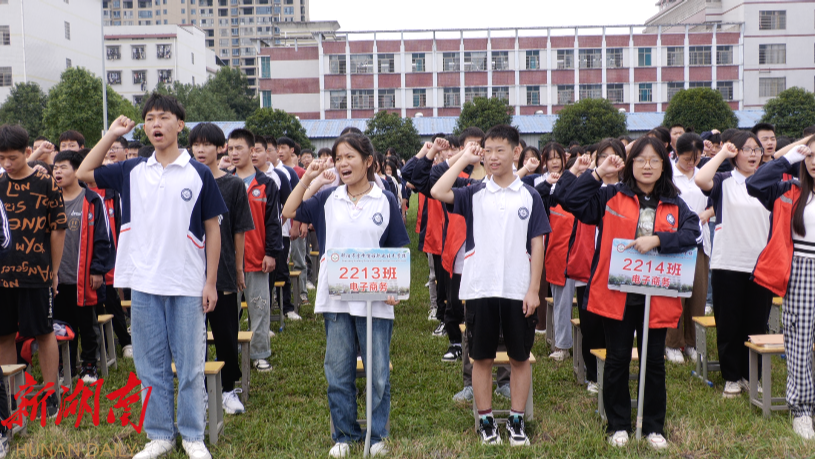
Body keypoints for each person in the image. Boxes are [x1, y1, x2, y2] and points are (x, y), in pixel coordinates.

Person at [76, 94, 227, 459]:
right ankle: (159, 434)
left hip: (187, 284)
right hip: (143, 283)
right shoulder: (132, 170)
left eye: (163, 117)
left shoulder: (198, 173)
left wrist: (210, 282)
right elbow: (83, 173)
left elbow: (213, 229)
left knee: (190, 366)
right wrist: (112, 134)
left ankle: (192, 435)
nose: (156, 124)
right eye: (150, 119)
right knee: (149, 365)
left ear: (180, 124)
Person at [558, 136, 701, 450]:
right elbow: (571, 201)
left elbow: (693, 233)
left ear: (664, 165)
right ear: (630, 164)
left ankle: (653, 426)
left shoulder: (675, 204)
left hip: (657, 297)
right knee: (618, 358)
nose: (647, 166)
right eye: (640, 160)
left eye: (654, 160)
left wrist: (659, 240)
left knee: (654, 362)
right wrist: (598, 172)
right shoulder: (611, 195)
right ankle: (618, 424)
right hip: (617, 296)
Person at [282, 132, 409, 458]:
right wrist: (309, 178)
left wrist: (393, 288)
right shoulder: (328, 198)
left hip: (376, 301)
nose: (343, 163)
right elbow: (289, 210)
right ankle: (345, 434)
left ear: (368, 161)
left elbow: (397, 247)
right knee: (338, 372)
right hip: (336, 300)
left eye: (350, 156)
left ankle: (377, 435)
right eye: (339, 158)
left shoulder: (385, 200)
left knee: (377, 374)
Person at [432, 125, 550, 447]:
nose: (493, 157)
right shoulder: (474, 192)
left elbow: (538, 244)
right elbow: (438, 191)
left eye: (501, 150)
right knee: (481, 358)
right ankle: (485, 420)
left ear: (516, 152)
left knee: (519, 358)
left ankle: (516, 419)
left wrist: (533, 289)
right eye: (488, 151)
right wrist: (463, 158)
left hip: (517, 289)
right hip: (480, 288)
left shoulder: (529, 196)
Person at [695, 131, 773, 399]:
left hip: (760, 264)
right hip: (728, 262)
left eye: (757, 150)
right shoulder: (724, 180)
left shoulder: (768, 181)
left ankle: (751, 376)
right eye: (747, 149)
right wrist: (722, 154)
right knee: (729, 322)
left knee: (756, 322)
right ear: (735, 153)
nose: (753, 154)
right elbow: (700, 179)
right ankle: (731, 376)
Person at [746, 140, 815, 439]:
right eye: (810, 155)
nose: (814, 161)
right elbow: (755, 184)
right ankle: (802, 409)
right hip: (801, 270)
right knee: (799, 340)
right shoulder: (790, 189)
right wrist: (786, 160)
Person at [0, 124, 66, 418]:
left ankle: (51, 395)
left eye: (12, 158)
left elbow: (58, 229)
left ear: (27, 152)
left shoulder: (45, 183)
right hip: (2, 276)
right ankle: (10, 397)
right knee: (4, 335)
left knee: (43, 332)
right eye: (1, 158)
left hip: (36, 273)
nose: (7, 164)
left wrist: (53, 271)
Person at [190, 123, 255, 415]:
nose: (201, 150)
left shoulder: (233, 185)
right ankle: (201, 392)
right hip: (190, 271)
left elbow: (239, 230)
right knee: (194, 338)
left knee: (226, 334)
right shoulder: (184, 182)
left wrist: (239, 268)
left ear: (220, 148)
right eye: (196, 144)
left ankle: (228, 389)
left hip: (224, 269)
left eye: (207, 144)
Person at [566, 138, 626, 394]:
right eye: (603, 156)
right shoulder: (593, 185)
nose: (609, 161)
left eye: (615, 156)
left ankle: (614, 372)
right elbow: (568, 198)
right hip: (588, 265)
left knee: (616, 325)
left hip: (620, 267)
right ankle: (593, 374)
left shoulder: (629, 190)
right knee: (590, 325)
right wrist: (594, 173)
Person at [51, 151, 113, 383]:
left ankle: (89, 366)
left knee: (87, 324)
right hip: (58, 278)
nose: (57, 172)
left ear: (77, 170)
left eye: (63, 167)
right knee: (61, 326)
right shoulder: (51, 199)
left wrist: (97, 270)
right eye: (55, 167)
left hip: (84, 278)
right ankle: (65, 367)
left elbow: (103, 238)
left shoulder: (92, 199)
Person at [229, 129, 283, 371]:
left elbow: (273, 222)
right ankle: (230, 354)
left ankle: (260, 353)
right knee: (229, 313)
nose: (234, 153)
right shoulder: (224, 181)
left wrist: (271, 253)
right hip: (229, 262)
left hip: (257, 259)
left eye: (238, 148)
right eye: (230, 148)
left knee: (259, 308)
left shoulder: (266, 184)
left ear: (251, 151)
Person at [664, 133, 713, 364]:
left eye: (696, 159)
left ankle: (693, 342)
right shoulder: (668, 176)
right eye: (686, 159)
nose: (691, 163)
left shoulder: (705, 175)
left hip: (700, 242)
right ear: (676, 153)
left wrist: (708, 213)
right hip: (675, 241)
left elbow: (717, 200)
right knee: (675, 295)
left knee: (698, 294)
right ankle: (672, 343)